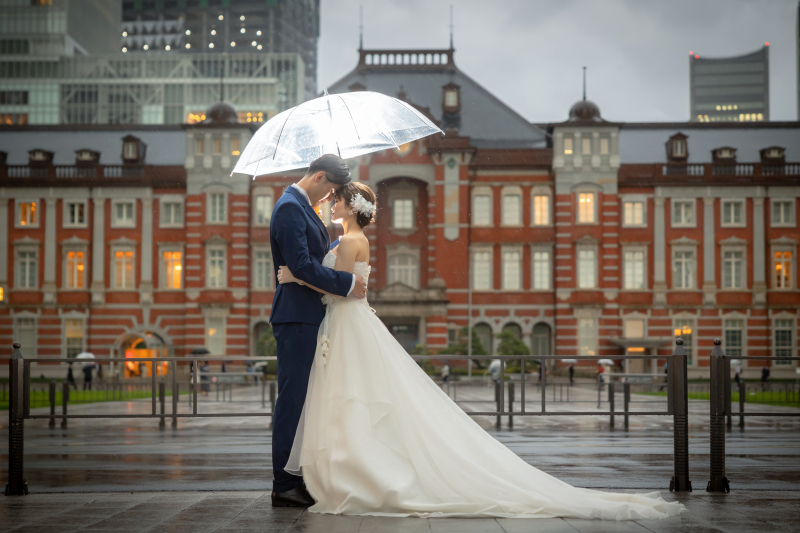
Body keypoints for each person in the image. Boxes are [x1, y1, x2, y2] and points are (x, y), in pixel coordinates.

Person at [277, 182, 684, 520]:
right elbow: (346, 282)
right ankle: (357, 466)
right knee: (359, 399)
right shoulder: (351, 236)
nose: (331, 201)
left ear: (351, 205)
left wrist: (295, 275)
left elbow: (341, 284)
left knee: (352, 399)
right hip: (349, 323)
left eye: (338, 198)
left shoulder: (348, 240)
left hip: (346, 322)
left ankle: (357, 472)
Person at [268, 155, 368, 508]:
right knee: (294, 399)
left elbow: (307, 264)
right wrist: (347, 282)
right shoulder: (290, 207)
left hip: (309, 313)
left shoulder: (300, 206)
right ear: (320, 176)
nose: (329, 198)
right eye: (329, 191)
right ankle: (284, 482)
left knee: (306, 399)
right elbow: (301, 265)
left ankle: (299, 476)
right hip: (297, 316)